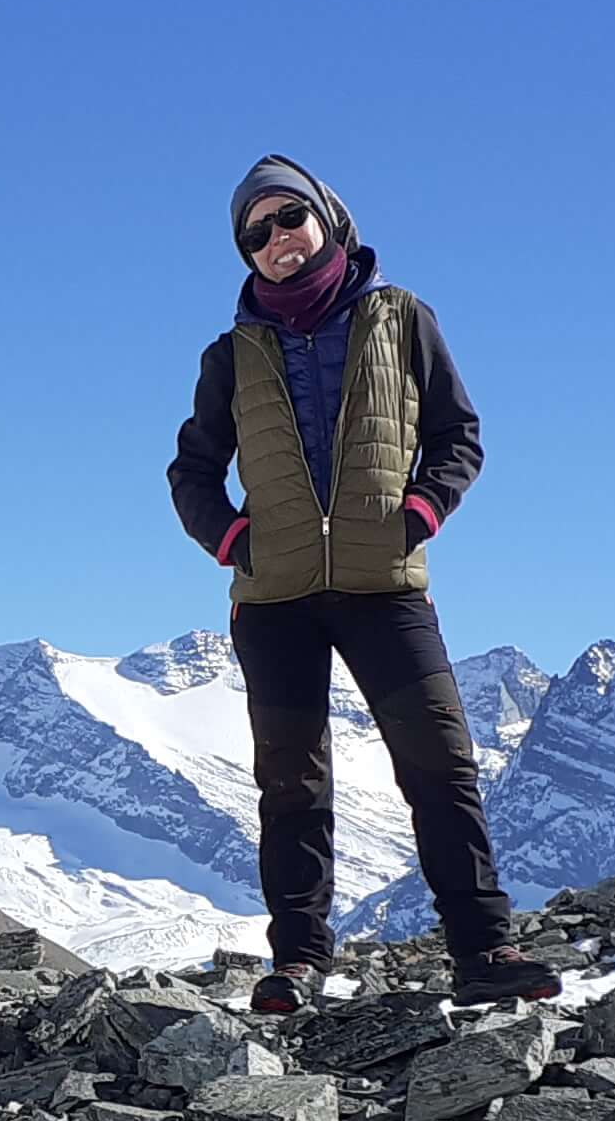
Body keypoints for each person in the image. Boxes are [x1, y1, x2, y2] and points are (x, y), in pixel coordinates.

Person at [168, 154, 556, 1015]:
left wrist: (419, 512)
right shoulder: (231, 354)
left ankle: (484, 948)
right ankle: (299, 962)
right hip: (274, 603)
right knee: (291, 786)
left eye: (288, 217)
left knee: (439, 762)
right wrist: (232, 540)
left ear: (328, 218)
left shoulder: (401, 318)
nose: (276, 240)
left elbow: (458, 434)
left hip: (387, 588)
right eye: (255, 233)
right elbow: (191, 469)